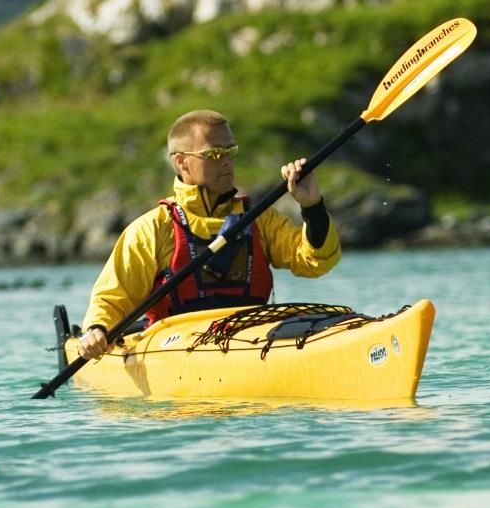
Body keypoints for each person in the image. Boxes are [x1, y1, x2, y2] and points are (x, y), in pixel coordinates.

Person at [77, 108, 340, 359]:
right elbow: (112, 298)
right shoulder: (152, 230)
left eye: (230, 151)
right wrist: (97, 330)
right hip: (175, 349)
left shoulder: (259, 219)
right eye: (214, 154)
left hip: (250, 338)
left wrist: (312, 206)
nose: (226, 161)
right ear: (182, 162)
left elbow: (315, 261)